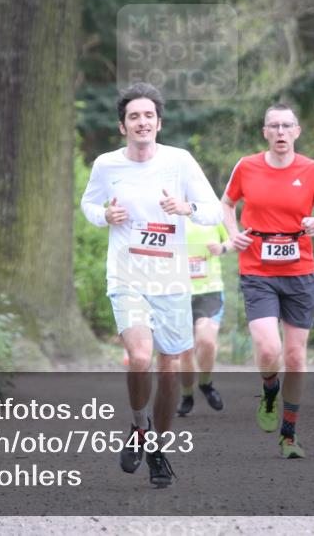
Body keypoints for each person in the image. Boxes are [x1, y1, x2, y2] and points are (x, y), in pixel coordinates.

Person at [80, 82, 222, 487]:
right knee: (141, 357)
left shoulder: (180, 162)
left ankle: (157, 447)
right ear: (122, 126)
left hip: (172, 281)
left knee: (170, 367)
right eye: (133, 117)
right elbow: (89, 204)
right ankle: (140, 427)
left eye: (148, 116)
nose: (141, 122)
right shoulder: (107, 165)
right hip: (127, 275)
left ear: (159, 123)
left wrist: (187, 208)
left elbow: (213, 211)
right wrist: (104, 216)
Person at [221, 103, 314, 458]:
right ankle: (269, 391)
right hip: (258, 271)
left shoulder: (311, 170)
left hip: (300, 273)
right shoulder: (247, 166)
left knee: (294, 355)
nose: (280, 132)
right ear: (265, 132)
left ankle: (289, 435)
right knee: (268, 349)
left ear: (297, 131)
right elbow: (226, 204)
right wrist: (234, 236)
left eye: (286, 125)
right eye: (273, 126)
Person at [177, 217, 230, 416]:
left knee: (206, 341)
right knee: (185, 351)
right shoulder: (169, 216)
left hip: (210, 291)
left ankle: (206, 383)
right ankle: (187, 395)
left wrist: (222, 248)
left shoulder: (212, 215)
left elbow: (232, 240)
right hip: (177, 292)